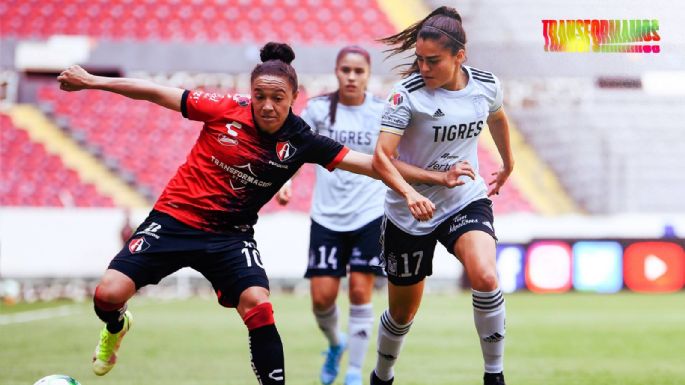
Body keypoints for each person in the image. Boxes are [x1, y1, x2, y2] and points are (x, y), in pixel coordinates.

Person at [57, 42, 474, 384]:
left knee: (259, 305)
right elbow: (154, 91)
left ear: (294, 99)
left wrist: (437, 177)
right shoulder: (223, 109)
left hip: (229, 236)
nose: (268, 106)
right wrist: (92, 81)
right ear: (251, 93)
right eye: (260, 96)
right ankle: (116, 327)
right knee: (107, 296)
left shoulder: (303, 139)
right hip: (172, 221)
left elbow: (372, 163)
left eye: (278, 98)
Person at [368, 6, 514, 385]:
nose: (423, 68)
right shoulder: (405, 96)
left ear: (459, 56)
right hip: (408, 211)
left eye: (433, 61)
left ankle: (494, 375)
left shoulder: (485, 85)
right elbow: (383, 159)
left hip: (463, 199)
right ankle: (382, 375)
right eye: (418, 59)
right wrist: (432, 179)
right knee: (402, 316)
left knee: (484, 275)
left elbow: (497, 116)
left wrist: (508, 163)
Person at [276, 46, 391, 385]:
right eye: (346, 70)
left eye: (359, 71)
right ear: (337, 72)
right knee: (322, 299)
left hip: (369, 214)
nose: (352, 77)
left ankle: (354, 372)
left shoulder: (382, 112)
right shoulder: (319, 110)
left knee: (359, 291)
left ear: (368, 75)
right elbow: (295, 151)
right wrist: (287, 181)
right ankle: (336, 343)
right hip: (326, 217)